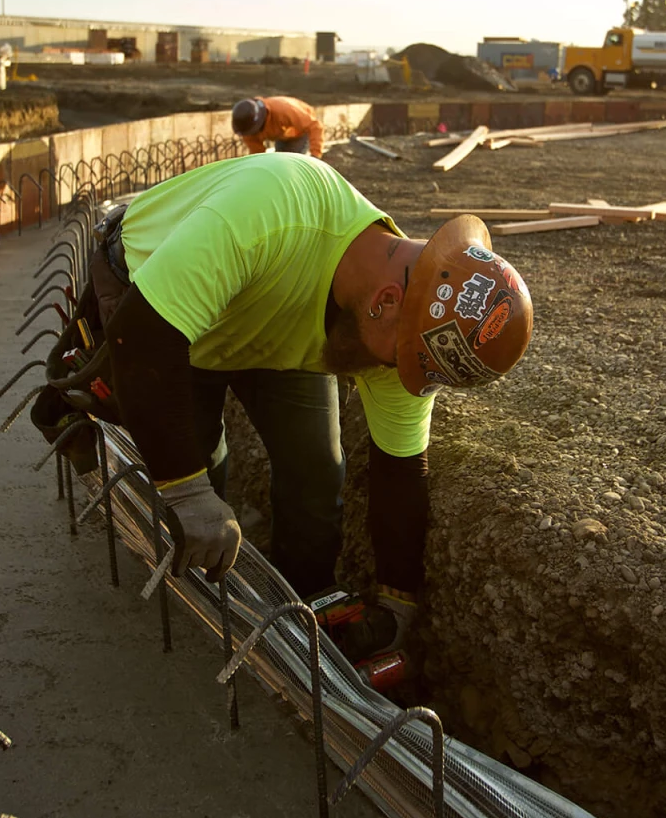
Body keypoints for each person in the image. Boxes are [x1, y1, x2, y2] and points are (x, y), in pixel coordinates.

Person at [39, 152, 532, 663]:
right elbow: (142, 339)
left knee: (318, 471)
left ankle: (305, 602)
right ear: (385, 302)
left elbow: (401, 471)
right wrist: (186, 491)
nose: (398, 376)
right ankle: (198, 620)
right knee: (200, 471)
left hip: (269, 327)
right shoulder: (272, 212)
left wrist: (397, 598)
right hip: (158, 316)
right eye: (401, 360)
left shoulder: (410, 323)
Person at [231, 96, 324, 158]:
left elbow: (315, 126)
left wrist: (315, 155)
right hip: (281, 135)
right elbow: (257, 153)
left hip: (298, 133)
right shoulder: (246, 126)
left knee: (292, 164)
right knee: (280, 161)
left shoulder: (284, 110)